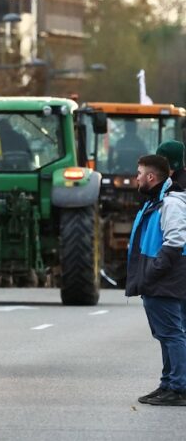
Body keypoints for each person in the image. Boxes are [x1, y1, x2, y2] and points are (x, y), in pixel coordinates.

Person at [127, 154, 186, 407]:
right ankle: (168, 383)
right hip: (159, 278)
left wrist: (153, 272)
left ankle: (179, 387)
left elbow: (175, 241)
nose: (136, 177)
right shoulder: (157, 201)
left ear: (151, 177)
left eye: (139, 173)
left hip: (163, 280)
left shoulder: (170, 204)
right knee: (166, 335)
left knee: (172, 335)